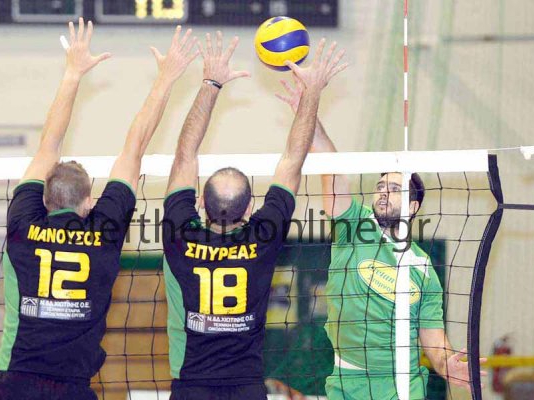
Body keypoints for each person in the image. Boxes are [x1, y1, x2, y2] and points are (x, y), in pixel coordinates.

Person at [0, 20, 198, 400]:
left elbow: (48, 146)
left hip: (15, 382)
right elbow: (135, 148)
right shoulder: (104, 232)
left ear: (43, 199)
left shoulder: (22, 225)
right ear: (88, 202)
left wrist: (72, 72)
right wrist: (166, 79)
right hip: (73, 388)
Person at [162, 32, 348, 400]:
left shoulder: (180, 236)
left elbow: (184, 157)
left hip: (192, 385)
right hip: (246, 386)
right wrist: (312, 92)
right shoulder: (262, 238)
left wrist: (211, 83)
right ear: (250, 209)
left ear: (201, 205)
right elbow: (292, 161)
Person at [276, 79, 488, 400]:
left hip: (401, 386)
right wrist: (310, 108)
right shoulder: (353, 224)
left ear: (413, 207)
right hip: (347, 381)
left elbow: (432, 335)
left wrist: (445, 362)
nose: (384, 192)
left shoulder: (422, 267)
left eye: (395, 189)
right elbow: (331, 165)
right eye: (380, 187)